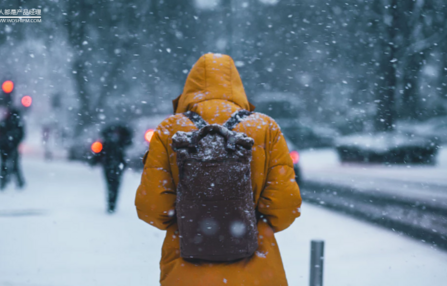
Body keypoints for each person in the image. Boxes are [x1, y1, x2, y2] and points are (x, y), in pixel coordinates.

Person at [135, 53, 302, 285]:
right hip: (257, 271)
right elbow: (285, 207)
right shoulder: (265, 128)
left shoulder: (170, 130)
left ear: (190, 87)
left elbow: (152, 209)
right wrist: (245, 222)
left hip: (185, 269)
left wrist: (192, 217)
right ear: (236, 85)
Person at [95, 124, 132, 213]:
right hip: (114, 165)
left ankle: (111, 204)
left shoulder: (112, 141)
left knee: (112, 185)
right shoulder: (118, 142)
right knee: (113, 185)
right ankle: (112, 204)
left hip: (112, 165)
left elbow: (100, 153)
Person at [0, 108, 25, 190]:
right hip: (8, 147)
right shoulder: (15, 123)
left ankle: (4, 182)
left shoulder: (6, 122)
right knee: (12, 165)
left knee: (8, 165)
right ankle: (14, 182)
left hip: (7, 147)